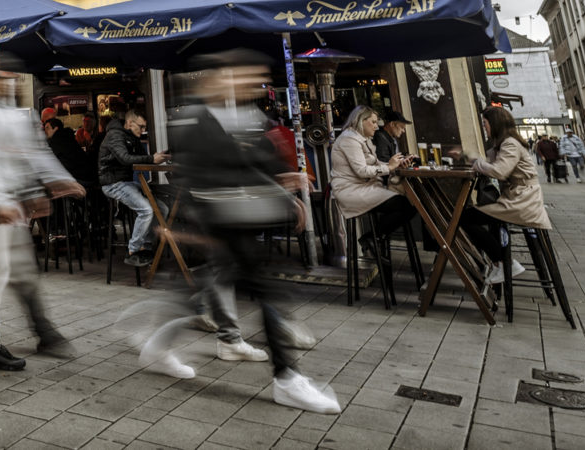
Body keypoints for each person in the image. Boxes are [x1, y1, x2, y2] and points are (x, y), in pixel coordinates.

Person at [133, 52, 338, 413]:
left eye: (255, 78)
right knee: (264, 288)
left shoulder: (247, 115)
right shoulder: (193, 119)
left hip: (243, 217)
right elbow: (196, 175)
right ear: (219, 77)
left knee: (210, 285)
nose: (250, 84)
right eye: (243, 77)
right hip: (221, 218)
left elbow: (259, 162)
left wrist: (282, 185)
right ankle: (287, 376)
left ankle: (160, 345)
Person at [0, 53, 84, 371]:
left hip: (9, 204)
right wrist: (2, 200)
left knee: (3, 271)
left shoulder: (13, 113)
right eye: (8, 77)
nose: (14, 82)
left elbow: (33, 153)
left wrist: (58, 182)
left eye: (15, 77)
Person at [449, 106, 548, 284]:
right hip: (518, 199)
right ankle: (499, 263)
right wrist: (467, 156)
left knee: (463, 218)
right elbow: (490, 164)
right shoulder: (504, 144)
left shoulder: (510, 143)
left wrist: (475, 161)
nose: (484, 127)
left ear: (494, 124)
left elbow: (499, 171)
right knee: (473, 217)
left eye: (485, 123)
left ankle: (503, 263)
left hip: (522, 202)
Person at [330, 105, 416, 250]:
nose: (377, 127)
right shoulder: (349, 140)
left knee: (410, 203)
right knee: (406, 205)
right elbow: (362, 171)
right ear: (360, 120)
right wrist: (389, 167)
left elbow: (377, 164)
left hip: (365, 188)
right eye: (374, 122)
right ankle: (373, 238)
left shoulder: (363, 139)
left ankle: (375, 238)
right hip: (351, 191)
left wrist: (397, 165)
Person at [100, 109, 166, 267]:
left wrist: (158, 157)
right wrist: (152, 158)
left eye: (144, 128)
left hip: (127, 183)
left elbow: (142, 157)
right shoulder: (115, 135)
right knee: (146, 210)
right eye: (141, 127)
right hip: (113, 183)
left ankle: (146, 246)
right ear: (129, 123)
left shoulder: (131, 137)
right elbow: (125, 159)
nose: (143, 131)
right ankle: (133, 250)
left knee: (161, 209)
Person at [42, 110, 84, 179]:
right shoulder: (67, 137)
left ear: (55, 129)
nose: (45, 131)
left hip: (77, 178)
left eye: (47, 128)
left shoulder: (57, 141)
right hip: (81, 175)